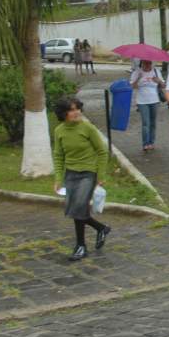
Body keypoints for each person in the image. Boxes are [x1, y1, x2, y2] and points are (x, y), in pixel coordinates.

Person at [52, 98, 111, 261]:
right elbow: (58, 155)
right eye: (71, 110)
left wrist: (101, 175)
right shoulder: (59, 131)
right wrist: (58, 178)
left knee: (78, 208)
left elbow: (102, 151)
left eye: (77, 108)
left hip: (88, 173)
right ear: (63, 113)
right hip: (71, 174)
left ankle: (81, 246)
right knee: (75, 210)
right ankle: (101, 228)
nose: (76, 112)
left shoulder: (87, 128)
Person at [130, 60, 165, 151]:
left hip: (154, 100)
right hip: (142, 101)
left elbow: (163, 85)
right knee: (146, 123)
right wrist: (138, 78)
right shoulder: (137, 72)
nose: (147, 65)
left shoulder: (156, 71)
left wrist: (159, 81)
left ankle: (151, 142)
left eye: (149, 63)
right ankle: (145, 143)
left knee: (153, 123)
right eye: (145, 63)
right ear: (142, 63)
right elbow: (132, 86)